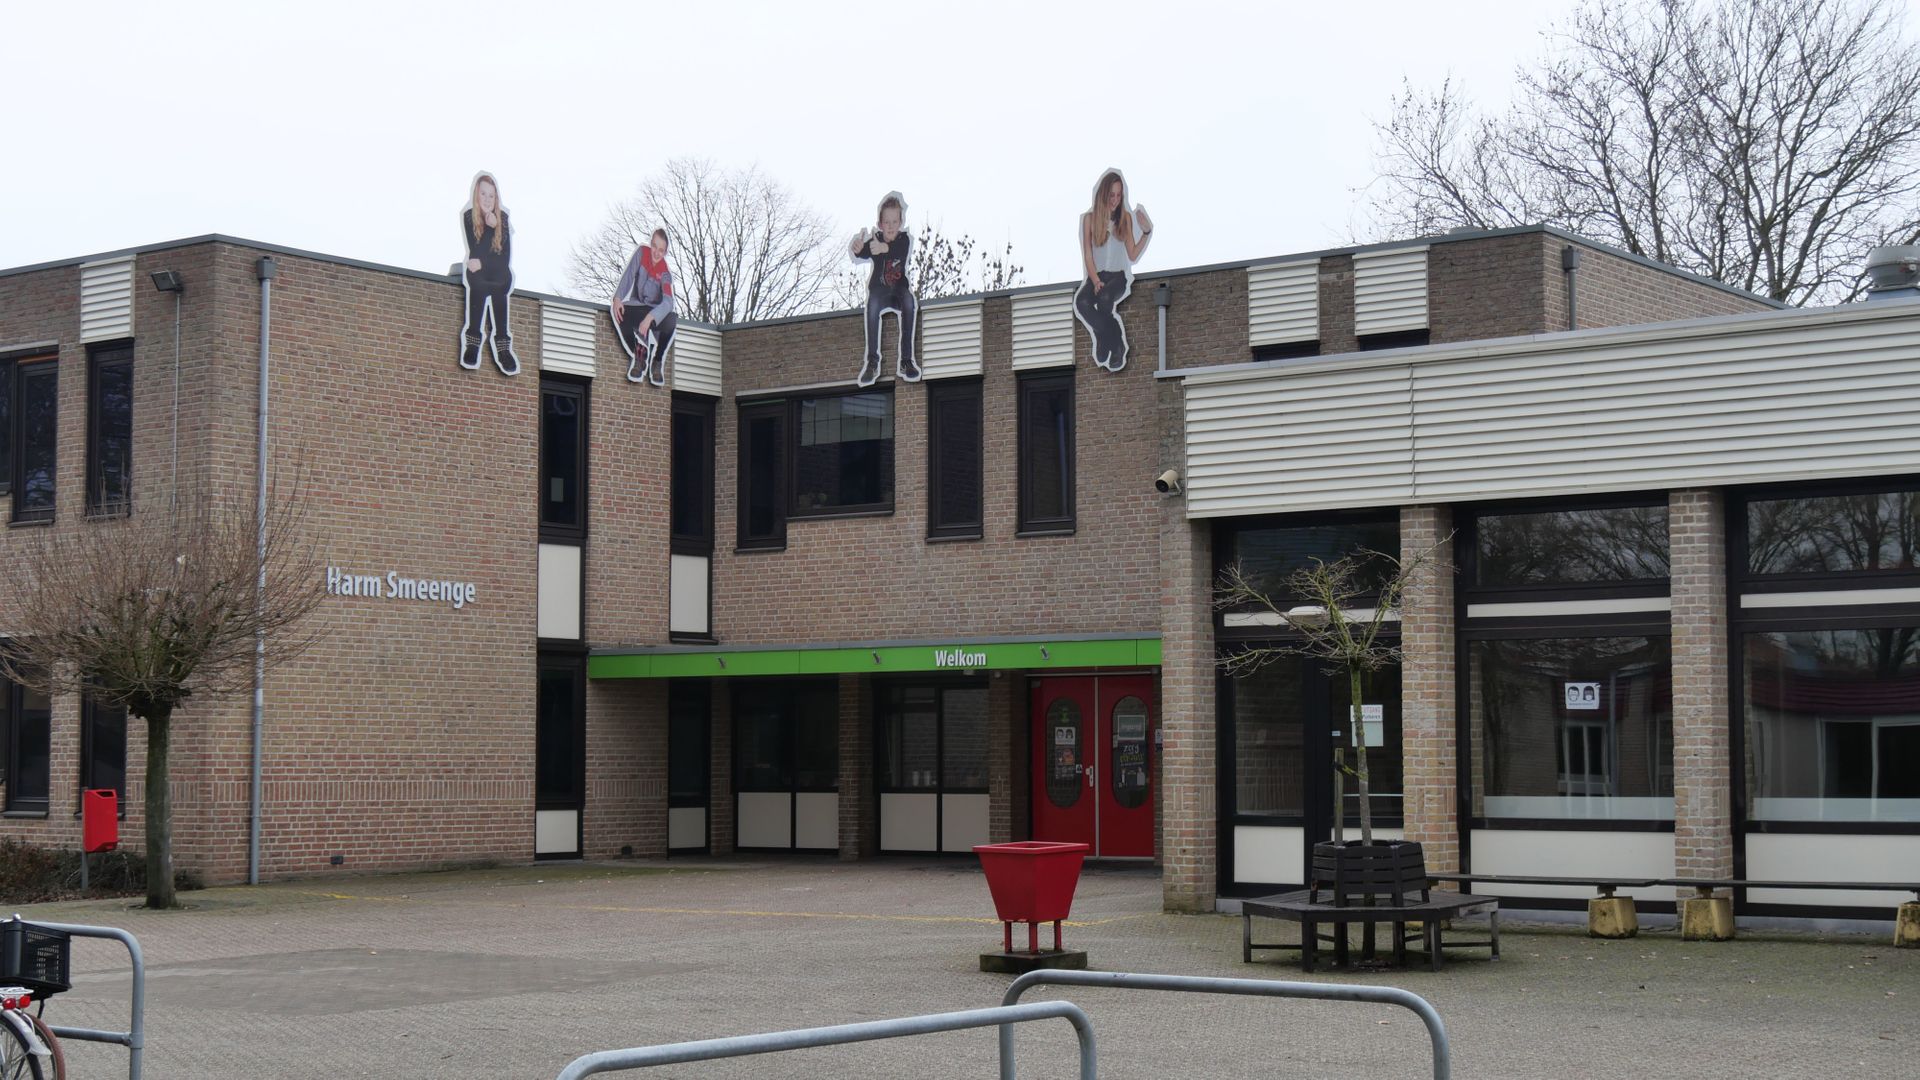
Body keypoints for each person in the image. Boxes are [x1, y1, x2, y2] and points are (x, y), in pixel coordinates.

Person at [1073, 169, 1154, 372]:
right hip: (1096, 275)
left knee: (1105, 299)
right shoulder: (1089, 220)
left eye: (1119, 195)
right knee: (1081, 301)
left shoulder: (1124, 219)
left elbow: (1133, 254)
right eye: (1112, 195)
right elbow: (1088, 256)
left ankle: (1112, 347)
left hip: (1117, 277)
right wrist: (1095, 280)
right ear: (1103, 194)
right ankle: (1111, 339)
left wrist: (1146, 232)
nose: (1115, 200)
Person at [849, 192, 918, 387]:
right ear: (880, 224)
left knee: (908, 302)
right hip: (880, 291)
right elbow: (863, 252)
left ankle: (906, 360)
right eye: (886, 222)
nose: (890, 226)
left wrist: (884, 249)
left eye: (894, 222)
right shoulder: (875, 240)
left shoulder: (904, 240)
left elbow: (899, 251)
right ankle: (872, 361)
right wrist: (858, 247)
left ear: (900, 222)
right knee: (872, 307)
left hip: (898, 291)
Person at [459, 171, 519, 376]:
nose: (487, 199)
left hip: (500, 274)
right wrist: (489, 229)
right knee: (478, 283)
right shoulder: (469, 217)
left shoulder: (503, 219)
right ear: (477, 195)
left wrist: (496, 227)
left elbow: (504, 258)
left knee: (499, 284)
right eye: (483, 194)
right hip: (480, 277)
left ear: (496, 198)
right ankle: (473, 343)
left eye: (491, 196)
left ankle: (503, 347)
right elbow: (474, 255)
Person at [611, 227, 677, 387]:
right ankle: (639, 356)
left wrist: (650, 318)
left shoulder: (665, 273)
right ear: (650, 244)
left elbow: (669, 302)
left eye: (661, 250)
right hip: (638, 306)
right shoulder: (641, 253)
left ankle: (657, 360)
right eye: (654, 246)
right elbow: (628, 276)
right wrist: (618, 298)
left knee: (671, 321)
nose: (656, 253)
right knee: (621, 314)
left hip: (654, 313)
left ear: (665, 252)